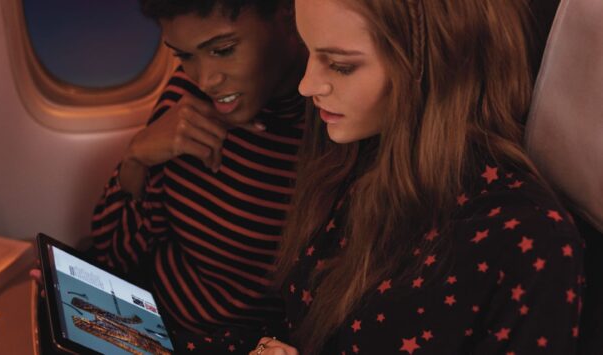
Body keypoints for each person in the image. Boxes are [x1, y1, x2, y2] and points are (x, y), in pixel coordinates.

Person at [250, 0, 585, 354]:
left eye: (340, 65)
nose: (307, 85)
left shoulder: (527, 240)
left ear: (439, 67)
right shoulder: (352, 154)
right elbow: (291, 318)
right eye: (308, 51)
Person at [88, 0, 307, 353]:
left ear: (286, 13)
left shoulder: (328, 131)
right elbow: (112, 252)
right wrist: (137, 157)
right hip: (145, 320)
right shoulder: (185, 100)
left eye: (223, 50)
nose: (206, 80)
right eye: (184, 57)